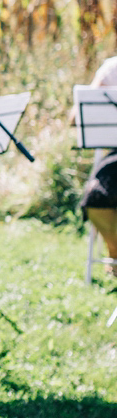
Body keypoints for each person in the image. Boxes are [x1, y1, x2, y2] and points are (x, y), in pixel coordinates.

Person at [79, 53, 117, 273]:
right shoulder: (112, 69)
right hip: (115, 154)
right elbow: (77, 116)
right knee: (97, 195)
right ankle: (115, 254)